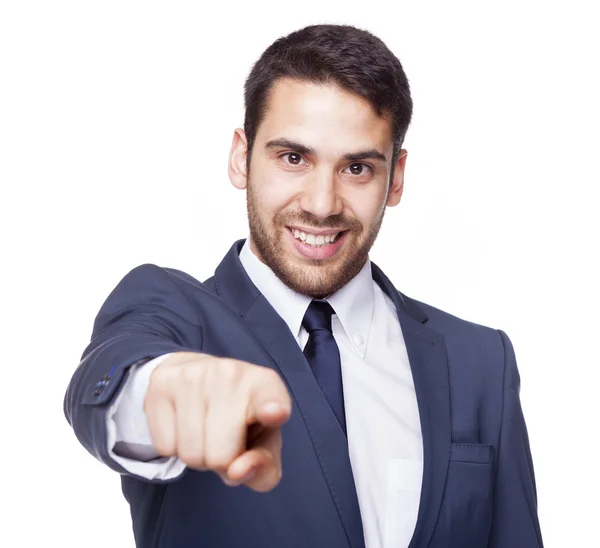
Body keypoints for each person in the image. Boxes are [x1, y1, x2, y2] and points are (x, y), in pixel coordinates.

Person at [64, 23, 543, 548]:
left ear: (396, 178)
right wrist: (160, 391)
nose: (321, 203)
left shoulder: (481, 361)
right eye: (293, 158)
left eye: (357, 168)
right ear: (240, 157)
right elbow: (107, 386)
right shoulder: (173, 312)